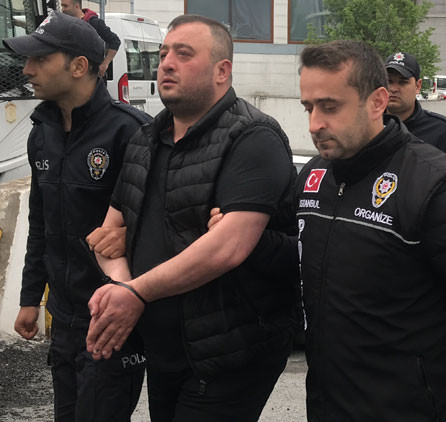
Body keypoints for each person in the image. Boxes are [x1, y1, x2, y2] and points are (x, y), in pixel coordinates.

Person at [296, 40, 446, 420]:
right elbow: (298, 263)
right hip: (329, 403)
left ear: (377, 102)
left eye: (330, 107)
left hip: (414, 407)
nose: (314, 124)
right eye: (309, 107)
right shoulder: (314, 177)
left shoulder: (439, 186)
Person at [83, 15, 298, 421]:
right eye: (164, 53)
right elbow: (108, 234)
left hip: (226, 355)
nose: (166, 63)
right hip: (162, 350)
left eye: (184, 54)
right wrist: (124, 287)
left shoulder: (253, 137)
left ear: (222, 71)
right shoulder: (145, 138)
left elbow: (228, 248)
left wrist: (135, 294)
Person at [3, 11, 149, 421]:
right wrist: (30, 298)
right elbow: (41, 224)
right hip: (63, 319)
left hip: (112, 319)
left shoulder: (131, 132)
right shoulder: (41, 133)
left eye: (40, 59)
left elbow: (159, 223)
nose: (27, 70)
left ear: (79, 66)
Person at [385, 51, 446, 154]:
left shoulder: (440, 129)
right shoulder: (369, 124)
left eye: (403, 82)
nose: (393, 89)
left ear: (418, 86)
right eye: (389, 81)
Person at [60, 0, 120, 77]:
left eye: (65, 6)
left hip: (91, 75)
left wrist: (105, 64)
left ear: (76, 6)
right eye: (62, 6)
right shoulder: (65, 25)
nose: (62, 9)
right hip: (72, 74)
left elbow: (115, 41)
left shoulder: (94, 23)